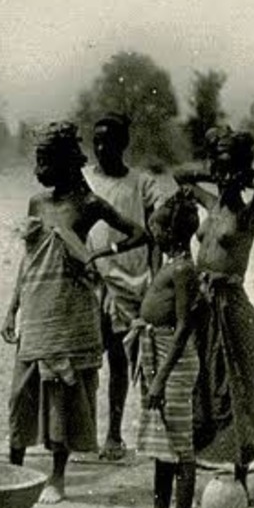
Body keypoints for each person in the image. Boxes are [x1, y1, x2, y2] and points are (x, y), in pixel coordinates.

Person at [1, 122, 149, 503]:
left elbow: (138, 233)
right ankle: (12, 469)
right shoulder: (37, 203)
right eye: (37, 160)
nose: (38, 169)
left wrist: (100, 254)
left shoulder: (89, 204)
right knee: (22, 392)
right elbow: (28, 261)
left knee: (60, 394)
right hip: (36, 307)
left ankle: (57, 476)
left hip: (70, 310)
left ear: (66, 163)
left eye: (45, 161)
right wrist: (11, 308)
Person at [179, 126, 254, 493]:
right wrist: (217, 169)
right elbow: (181, 176)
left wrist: (241, 173)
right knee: (200, 383)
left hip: (230, 305)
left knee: (236, 386)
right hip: (201, 304)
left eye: (228, 168)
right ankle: (202, 463)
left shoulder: (247, 213)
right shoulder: (211, 203)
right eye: (217, 168)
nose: (221, 176)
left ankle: (241, 478)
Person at [120, 193, 204, 508]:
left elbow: (184, 325)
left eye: (157, 228)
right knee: (162, 444)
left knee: (180, 447)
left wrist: (159, 379)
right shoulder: (171, 263)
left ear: (171, 232)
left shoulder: (184, 269)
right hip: (157, 355)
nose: (152, 234)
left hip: (174, 361)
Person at [85, 113, 154, 462]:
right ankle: (82, 434)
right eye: (96, 141)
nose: (100, 148)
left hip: (127, 282)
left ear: (123, 144)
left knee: (118, 359)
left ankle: (113, 433)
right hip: (87, 280)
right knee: (83, 359)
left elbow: (153, 231)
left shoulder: (140, 184)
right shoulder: (83, 181)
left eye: (108, 142)